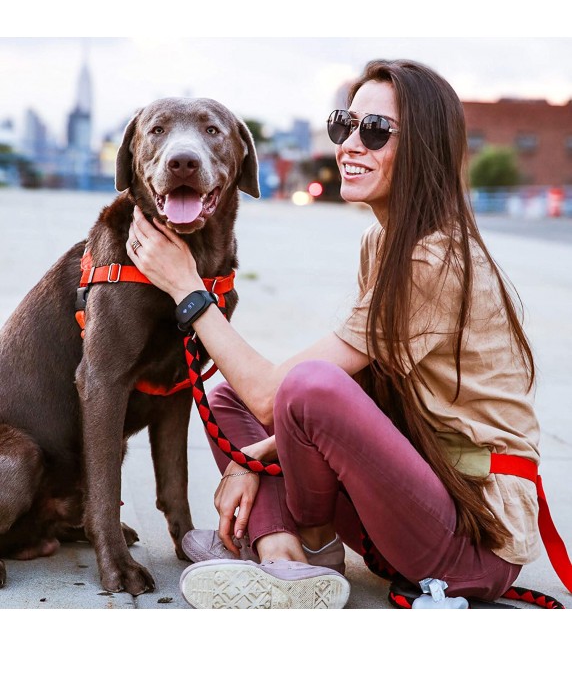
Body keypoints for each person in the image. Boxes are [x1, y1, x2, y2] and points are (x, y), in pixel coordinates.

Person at [126, 59, 541, 610]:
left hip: (470, 543)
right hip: (407, 502)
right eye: (345, 125)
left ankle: (291, 548)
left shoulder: (434, 260)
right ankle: (285, 554)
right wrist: (252, 456)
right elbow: (344, 397)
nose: (350, 145)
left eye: (376, 131)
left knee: (308, 388)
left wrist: (187, 288)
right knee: (230, 397)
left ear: (426, 148)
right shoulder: (382, 243)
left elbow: (284, 395)